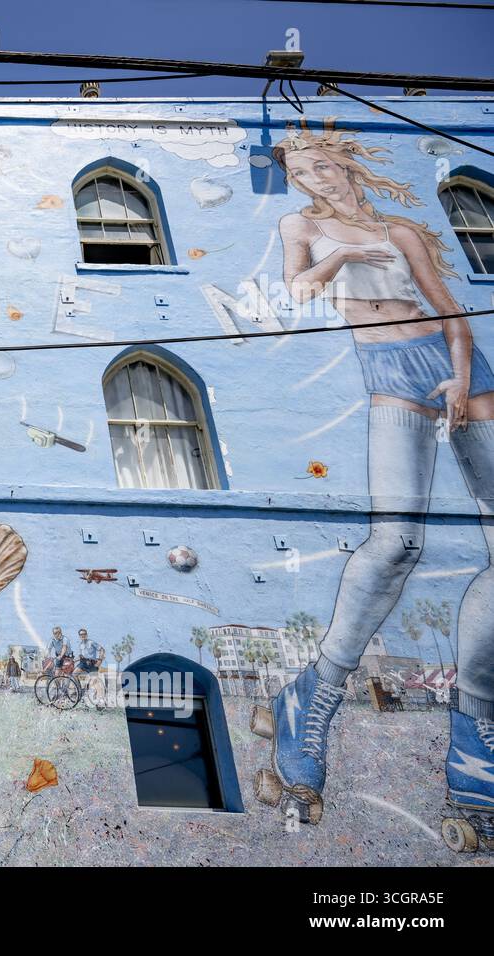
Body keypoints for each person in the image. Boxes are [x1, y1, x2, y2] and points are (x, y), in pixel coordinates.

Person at [256, 120, 494, 826]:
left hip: (456, 369)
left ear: (343, 162)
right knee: (398, 543)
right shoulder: (297, 222)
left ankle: (473, 734)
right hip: (387, 371)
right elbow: (297, 292)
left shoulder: (405, 229)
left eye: (319, 166)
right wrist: (339, 259)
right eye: (301, 172)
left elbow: (451, 312)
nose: (312, 179)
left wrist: (458, 379)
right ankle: (315, 690)